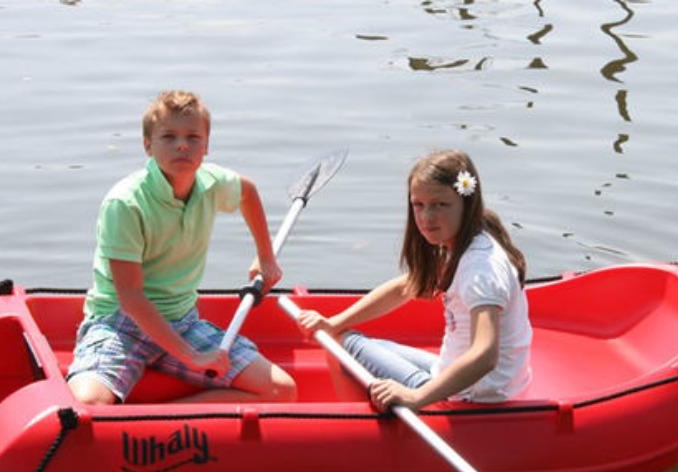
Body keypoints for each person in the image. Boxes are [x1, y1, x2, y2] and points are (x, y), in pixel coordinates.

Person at [67, 90, 297, 405]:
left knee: (281, 391)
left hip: (182, 320)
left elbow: (247, 191)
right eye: (168, 136)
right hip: (120, 325)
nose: (182, 145)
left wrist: (265, 257)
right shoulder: (125, 202)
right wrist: (191, 356)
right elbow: (131, 297)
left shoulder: (210, 182)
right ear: (148, 145)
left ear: (206, 145)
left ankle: (161, 427)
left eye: (193, 137)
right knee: (88, 406)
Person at [296, 149, 531, 411]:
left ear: (467, 203)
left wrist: (417, 397)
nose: (427, 217)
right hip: (466, 380)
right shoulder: (466, 242)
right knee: (338, 333)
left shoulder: (480, 269)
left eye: (440, 205)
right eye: (418, 205)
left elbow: (485, 355)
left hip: (473, 396)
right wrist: (334, 322)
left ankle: (359, 430)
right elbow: (405, 287)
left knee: (341, 344)